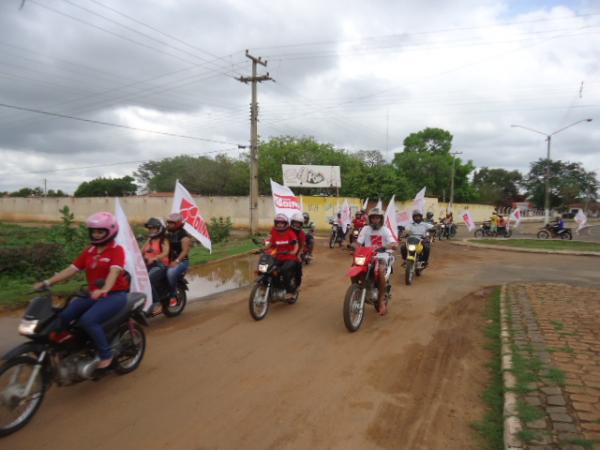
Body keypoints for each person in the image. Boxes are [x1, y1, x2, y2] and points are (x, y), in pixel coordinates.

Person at [33, 212, 130, 369]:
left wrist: (104, 288)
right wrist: (47, 282)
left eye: (100, 231)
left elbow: (114, 272)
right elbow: (72, 269)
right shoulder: (89, 251)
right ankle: (70, 345)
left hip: (114, 295)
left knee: (88, 320)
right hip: (93, 294)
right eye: (93, 231)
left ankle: (106, 354)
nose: (96, 235)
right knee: (64, 315)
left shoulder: (117, 250)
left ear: (110, 232)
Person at [353, 207, 397, 316]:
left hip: (383, 256)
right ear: (370, 219)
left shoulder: (385, 230)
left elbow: (394, 243)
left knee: (380, 271)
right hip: (368, 256)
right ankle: (357, 291)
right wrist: (354, 247)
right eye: (373, 218)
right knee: (353, 267)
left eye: (377, 218)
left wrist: (386, 246)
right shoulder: (365, 229)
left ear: (381, 219)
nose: (375, 220)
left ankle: (381, 301)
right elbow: (358, 243)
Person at [141, 217, 170, 316]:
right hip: (148, 264)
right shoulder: (150, 239)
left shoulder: (164, 240)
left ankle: (158, 304)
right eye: (150, 228)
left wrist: (155, 258)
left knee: (147, 280)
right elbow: (142, 251)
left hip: (160, 265)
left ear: (159, 228)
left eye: (153, 228)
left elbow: (166, 253)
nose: (151, 230)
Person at [267, 214, 299, 299]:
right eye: (278, 223)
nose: (279, 225)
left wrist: (293, 252)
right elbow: (270, 243)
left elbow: (296, 244)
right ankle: (277, 288)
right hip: (278, 257)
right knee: (271, 270)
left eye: (281, 223)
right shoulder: (274, 232)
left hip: (290, 258)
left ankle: (290, 291)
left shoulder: (290, 233)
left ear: (285, 224)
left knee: (284, 270)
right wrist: (262, 249)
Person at [165, 213, 191, 307]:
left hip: (182, 262)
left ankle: (173, 294)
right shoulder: (168, 234)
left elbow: (185, 251)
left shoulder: (184, 236)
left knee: (170, 273)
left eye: (171, 223)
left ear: (178, 224)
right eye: (168, 222)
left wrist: (176, 262)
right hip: (168, 261)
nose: (168, 224)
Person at [290, 213, 306, 288]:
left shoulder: (301, 233)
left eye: (298, 223)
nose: (296, 225)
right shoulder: (286, 230)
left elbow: (302, 245)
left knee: (298, 265)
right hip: (285, 252)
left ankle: (297, 285)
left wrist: (299, 255)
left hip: (296, 253)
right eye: (295, 222)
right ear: (292, 222)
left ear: (301, 224)